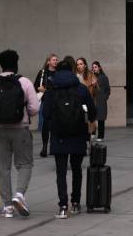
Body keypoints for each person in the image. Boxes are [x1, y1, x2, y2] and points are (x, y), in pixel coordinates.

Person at [0, 49, 40, 218]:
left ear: (1, 65)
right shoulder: (25, 82)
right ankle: (19, 195)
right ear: (16, 64)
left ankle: (7, 206)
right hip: (21, 129)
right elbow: (34, 108)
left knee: (2, 167)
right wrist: (26, 113)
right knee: (25, 164)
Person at [44, 55, 97, 219]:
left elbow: (45, 115)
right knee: (76, 170)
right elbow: (93, 112)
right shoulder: (80, 88)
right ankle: (75, 203)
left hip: (59, 134)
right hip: (78, 133)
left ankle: (63, 206)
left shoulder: (52, 89)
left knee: (61, 172)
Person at [34, 54, 58, 157]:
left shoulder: (59, 73)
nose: (56, 61)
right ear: (48, 62)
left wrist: (47, 90)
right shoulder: (43, 72)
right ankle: (44, 147)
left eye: (57, 60)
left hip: (56, 101)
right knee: (45, 124)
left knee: (55, 125)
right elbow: (35, 85)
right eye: (53, 60)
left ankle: (53, 147)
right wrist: (39, 89)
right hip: (45, 101)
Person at [91, 61, 110, 139]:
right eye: (93, 67)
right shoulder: (91, 77)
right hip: (93, 99)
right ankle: (92, 133)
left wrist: (104, 97)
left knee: (101, 119)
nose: (94, 69)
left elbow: (108, 90)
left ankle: (101, 136)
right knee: (92, 118)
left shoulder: (104, 77)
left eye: (95, 67)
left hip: (101, 101)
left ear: (99, 67)